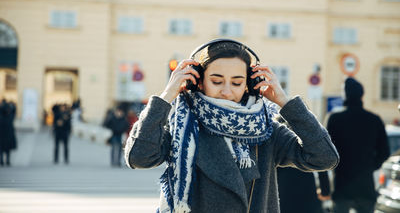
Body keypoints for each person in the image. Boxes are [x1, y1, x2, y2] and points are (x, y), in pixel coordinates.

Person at [124, 39, 339, 213]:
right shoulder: (184, 127)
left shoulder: (266, 130)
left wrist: (286, 103)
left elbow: (324, 157)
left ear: (250, 84)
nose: (227, 91)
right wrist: (166, 97)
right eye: (217, 81)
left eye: (237, 82)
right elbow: (138, 156)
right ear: (198, 82)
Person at [319, 77, 390, 213]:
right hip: (366, 187)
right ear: (361, 95)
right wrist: (370, 166)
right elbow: (384, 152)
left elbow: (323, 153)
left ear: (344, 94)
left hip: (341, 186)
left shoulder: (334, 119)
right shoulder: (374, 120)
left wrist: (325, 188)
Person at [0, 99, 17, 166]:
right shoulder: (9, 117)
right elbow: (14, 111)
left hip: (2, 136)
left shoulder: (2, 117)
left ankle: (2, 161)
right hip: (8, 136)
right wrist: (12, 105)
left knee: (2, 149)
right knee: (7, 150)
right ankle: (7, 161)